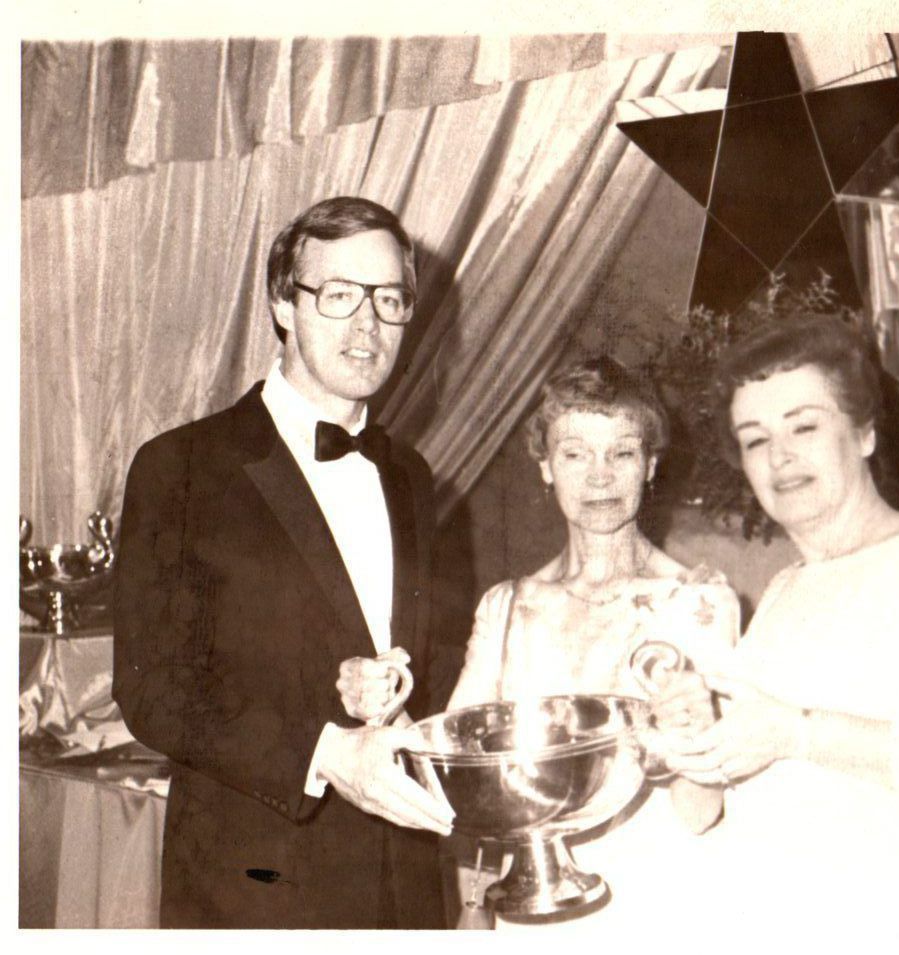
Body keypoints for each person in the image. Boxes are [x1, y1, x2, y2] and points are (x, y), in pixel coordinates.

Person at [113, 196, 456, 929]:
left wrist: (396, 693)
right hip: (255, 892)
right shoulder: (182, 466)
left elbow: (430, 660)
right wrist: (326, 750)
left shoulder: (412, 475)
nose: (367, 325)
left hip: (406, 891)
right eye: (339, 295)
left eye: (389, 299)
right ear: (282, 303)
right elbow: (152, 688)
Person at [663, 315, 899, 930]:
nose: (780, 456)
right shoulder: (785, 591)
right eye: (755, 440)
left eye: (805, 426)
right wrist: (697, 736)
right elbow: (707, 810)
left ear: (865, 433)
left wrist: (797, 733)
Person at [445, 356, 739, 930]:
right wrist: (473, 906)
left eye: (622, 453)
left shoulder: (698, 602)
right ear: (546, 466)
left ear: (651, 464)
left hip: (660, 906)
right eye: (575, 454)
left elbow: (701, 813)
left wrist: (695, 727)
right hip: (531, 913)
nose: (599, 476)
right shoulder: (506, 608)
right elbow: (469, 785)